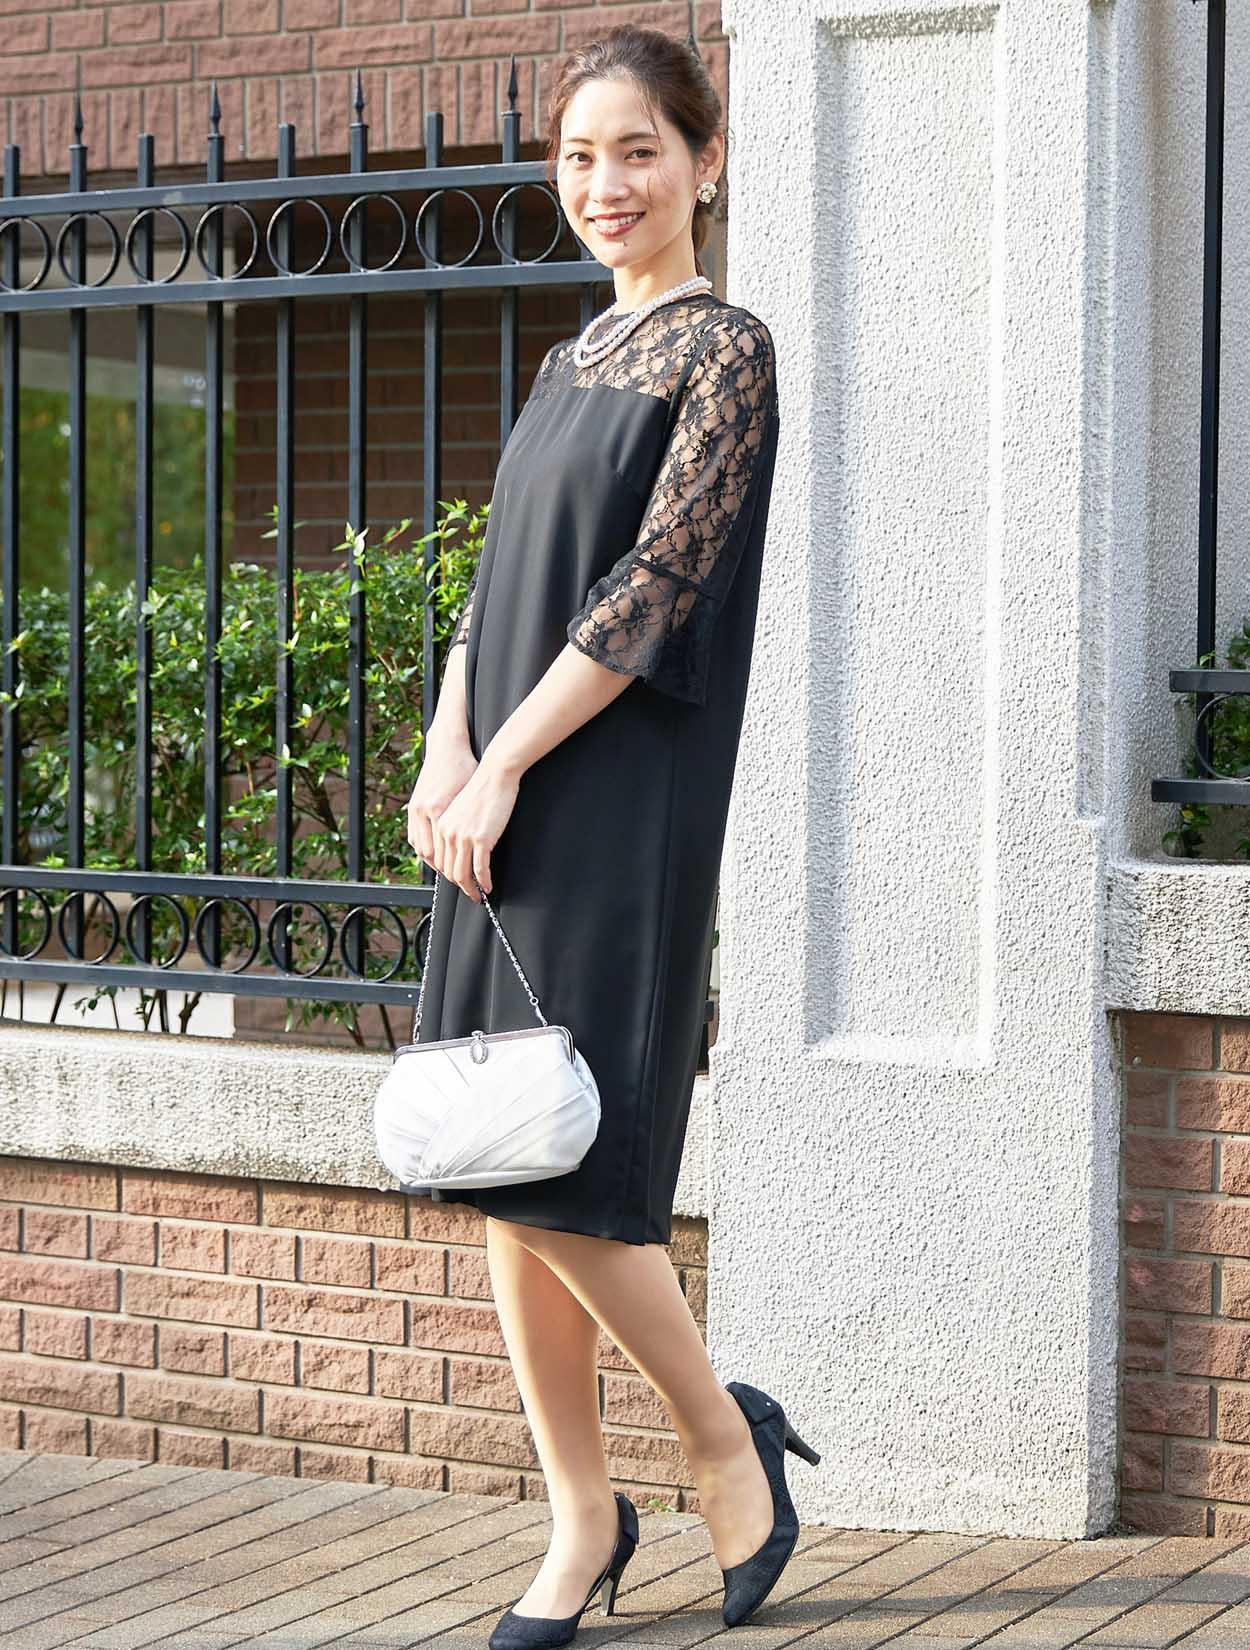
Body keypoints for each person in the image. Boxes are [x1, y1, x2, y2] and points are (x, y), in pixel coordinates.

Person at [404, 22, 818, 1648]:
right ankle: (582, 1515)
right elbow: (496, 587)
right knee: (506, 1158)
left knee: (578, 1165)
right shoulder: (567, 358)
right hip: (500, 786)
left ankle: (724, 1443)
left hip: (610, 789)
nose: (606, 184)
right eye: (579, 157)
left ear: (704, 162)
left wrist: (507, 761)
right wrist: (449, 753)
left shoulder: (727, 350)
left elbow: (654, 590)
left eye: (638, 149)